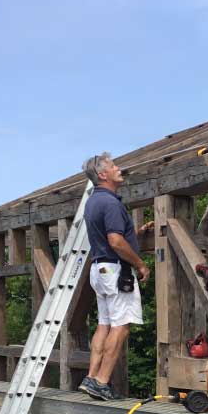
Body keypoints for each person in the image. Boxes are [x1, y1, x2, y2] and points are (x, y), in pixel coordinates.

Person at [78, 153, 153, 401]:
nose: (119, 168)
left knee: (104, 324)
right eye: (113, 166)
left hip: (100, 269)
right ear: (102, 175)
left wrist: (137, 235)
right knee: (121, 327)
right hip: (117, 272)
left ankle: (91, 377)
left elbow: (112, 240)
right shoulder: (111, 203)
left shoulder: (93, 202)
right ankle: (102, 381)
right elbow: (116, 241)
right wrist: (141, 265)